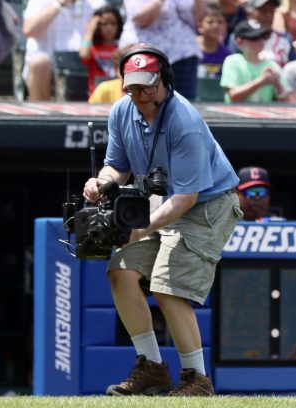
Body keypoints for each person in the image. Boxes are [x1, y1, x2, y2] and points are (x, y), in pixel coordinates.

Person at [83, 46, 241, 397]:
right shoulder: (121, 111)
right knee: (120, 271)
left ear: (164, 80)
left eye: (147, 86)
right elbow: (117, 165)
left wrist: (138, 230)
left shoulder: (184, 121)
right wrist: (101, 181)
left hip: (208, 204)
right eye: (132, 87)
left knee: (168, 286)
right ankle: (152, 369)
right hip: (164, 202)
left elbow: (186, 199)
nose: (140, 95)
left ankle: (196, 380)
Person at [121, 0, 216, 100]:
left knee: (184, 106)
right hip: (146, 54)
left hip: (182, 51)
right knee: (145, 105)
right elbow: (139, 18)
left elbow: (198, 16)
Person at [23, 0, 110, 101]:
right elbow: (29, 30)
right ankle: (43, 121)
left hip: (85, 62)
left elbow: (110, 36)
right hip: (49, 64)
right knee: (39, 62)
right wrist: (59, 4)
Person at [221, 19, 296, 103]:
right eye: (254, 38)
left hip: (264, 114)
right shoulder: (232, 61)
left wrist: (277, 84)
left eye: (262, 37)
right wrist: (261, 81)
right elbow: (233, 96)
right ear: (239, 42)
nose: (260, 41)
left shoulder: (272, 65)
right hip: (234, 115)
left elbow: (288, 102)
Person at [79, 5, 123, 94]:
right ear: (97, 26)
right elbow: (84, 55)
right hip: (97, 95)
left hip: (118, 94)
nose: (109, 28)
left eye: (113, 23)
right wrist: (89, 30)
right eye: (104, 24)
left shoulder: (122, 47)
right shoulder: (93, 48)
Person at [196, 6, 229, 78]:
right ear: (199, 26)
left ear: (225, 26)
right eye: (210, 22)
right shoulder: (190, 51)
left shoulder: (227, 54)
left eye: (220, 22)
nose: (216, 26)